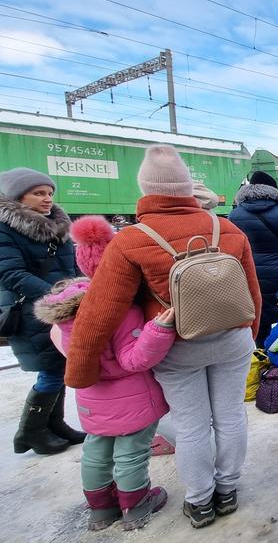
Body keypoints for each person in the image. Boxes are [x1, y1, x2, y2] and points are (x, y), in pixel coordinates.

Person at [66, 145, 262, 528]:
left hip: (177, 346)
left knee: (191, 426)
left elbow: (101, 310)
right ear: (187, 186)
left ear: (145, 188)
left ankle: (200, 502)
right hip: (233, 339)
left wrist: (80, 369)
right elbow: (252, 294)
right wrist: (247, 336)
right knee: (230, 416)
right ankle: (228, 491)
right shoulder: (228, 228)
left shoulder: (131, 240)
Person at [35, 216, 176, 531]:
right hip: (132, 399)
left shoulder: (69, 309)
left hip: (91, 399)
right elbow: (133, 360)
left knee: (96, 450)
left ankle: (100, 510)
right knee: (131, 453)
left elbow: (67, 349)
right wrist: (158, 329)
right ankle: (135, 505)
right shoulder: (123, 310)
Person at [0, 167, 82, 455]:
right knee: (51, 371)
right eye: (38, 193)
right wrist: (57, 296)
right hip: (32, 311)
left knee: (60, 367)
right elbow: (9, 273)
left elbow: (72, 267)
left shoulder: (56, 225)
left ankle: (56, 425)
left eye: (50, 192)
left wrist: (79, 290)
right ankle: (30, 432)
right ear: (18, 197)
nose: (47, 198)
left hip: (62, 310)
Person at [229, 170, 278, 348]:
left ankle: (262, 359)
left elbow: (231, 248)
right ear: (274, 190)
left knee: (260, 319)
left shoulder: (235, 215)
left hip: (251, 276)